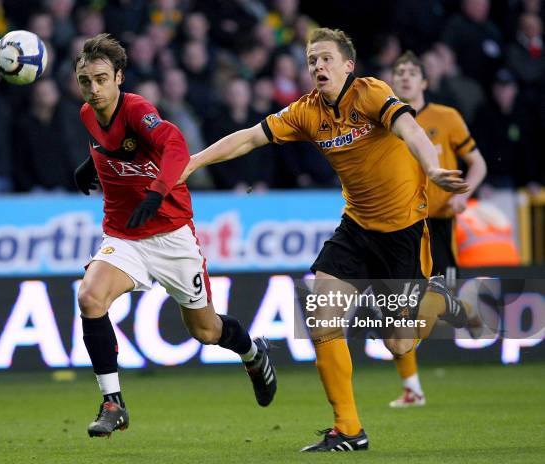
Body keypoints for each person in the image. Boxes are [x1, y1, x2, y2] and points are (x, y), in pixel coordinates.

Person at [180, 28, 472, 452]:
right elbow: (249, 137)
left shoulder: (371, 93)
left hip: (402, 232)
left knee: (398, 343)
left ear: (348, 65)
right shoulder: (306, 112)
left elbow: (410, 129)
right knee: (321, 311)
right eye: (311, 59)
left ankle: (438, 298)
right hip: (356, 228)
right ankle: (349, 430)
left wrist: (430, 167)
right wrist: (195, 161)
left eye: (326, 59)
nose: (317, 66)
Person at [72, 33, 276, 438]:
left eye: (100, 80)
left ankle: (253, 353)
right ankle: (113, 403)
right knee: (89, 297)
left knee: (205, 332)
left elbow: (176, 146)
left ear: (119, 78)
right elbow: (115, 146)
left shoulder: (138, 109)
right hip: (124, 235)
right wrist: (90, 163)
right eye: (85, 82)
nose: (93, 90)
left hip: (172, 234)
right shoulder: (87, 115)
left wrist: (157, 192)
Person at [388, 51, 487, 408]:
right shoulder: (384, 119)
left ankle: (464, 308)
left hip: (439, 221)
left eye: (412, 72)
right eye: (399, 73)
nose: (405, 78)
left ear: (425, 82)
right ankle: (412, 388)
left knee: (437, 301)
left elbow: (477, 163)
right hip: (401, 224)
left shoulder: (446, 118)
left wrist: (466, 196)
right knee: (398, 306)